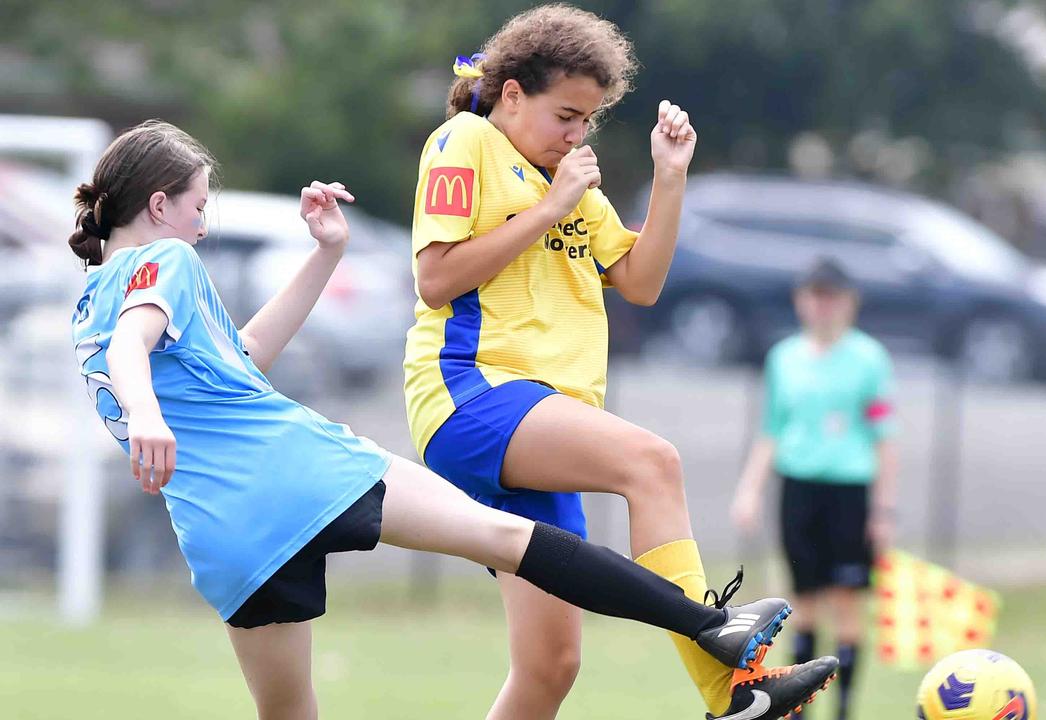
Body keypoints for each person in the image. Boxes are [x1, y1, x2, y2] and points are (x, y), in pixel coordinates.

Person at [68, 119, 832, 720]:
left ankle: (716, 638)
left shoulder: (84, 307)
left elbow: (243, 356)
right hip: (302, 475)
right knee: (508, 537)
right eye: (200, 207)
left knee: (288, 715)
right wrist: (145, 415)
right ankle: (711, 631)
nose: (203, 226)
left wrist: (326, 254)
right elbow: (139, 344)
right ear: (160, 205)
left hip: (224, 535)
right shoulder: (166, 263)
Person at [403, 5, 836, 719]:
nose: (576, 134)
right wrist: (548, 208)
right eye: (565, 115)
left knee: (549, 670)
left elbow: (640, 281)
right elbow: (436, 278)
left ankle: (731, 692)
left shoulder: (569, 182)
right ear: (512, 95)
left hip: (540, 425)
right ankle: (731, 691)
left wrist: (670, 177)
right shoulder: (466, 141)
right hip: (472, 395)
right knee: (651, 462)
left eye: (588, 121)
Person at [731, 258, 899, 720]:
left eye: (832, 297)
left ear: (849, 302)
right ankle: (801, 706)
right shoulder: (784, 358)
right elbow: (772, 431)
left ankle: (844, 709)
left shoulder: (870, 359)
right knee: (801, 606)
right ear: (801, 301)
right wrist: (749, 490)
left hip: (849, 491)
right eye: (815, 296)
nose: (823, 306)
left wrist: (883, 511)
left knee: (846, 605)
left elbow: (885, 437)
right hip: (799, 489)